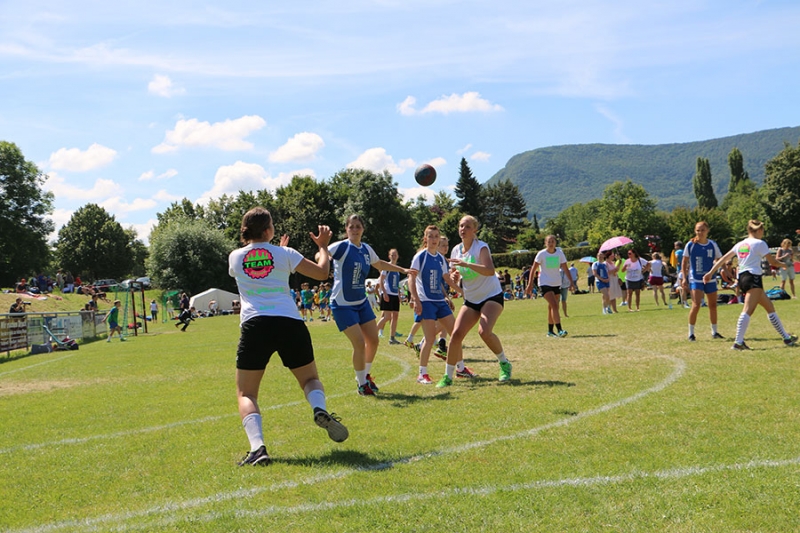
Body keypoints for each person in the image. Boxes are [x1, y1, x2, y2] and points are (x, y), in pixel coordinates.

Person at [228, 207, 348, 467]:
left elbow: (260, 263)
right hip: (289, 322)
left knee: (247, 393)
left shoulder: (235, 257)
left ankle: (258, 448)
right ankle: (319, 409)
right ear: (269, 230)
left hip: (255, 325)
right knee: (310, 379)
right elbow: (321, 273)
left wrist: (276, 251)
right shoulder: (285, 254)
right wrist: (324, 247)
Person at [329, 214, 409, 396]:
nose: (355, 229)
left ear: (363, 229)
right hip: (342, 304)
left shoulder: (366, 249)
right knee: (358, 342)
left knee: (373, 340)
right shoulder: (341, 247)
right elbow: (323, 253)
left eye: (358, 226)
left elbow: (379, 263)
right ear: (346, 229)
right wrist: (321, 252)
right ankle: (361, 383)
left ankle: (365, 376)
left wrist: (402, 269)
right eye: (352, 226)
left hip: (361, 302)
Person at [438, 215, 511, 387]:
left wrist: (467, 265)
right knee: (455, 335)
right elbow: (455, 276)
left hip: (491, 296)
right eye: (461, 226)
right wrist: (455, 276)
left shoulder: (481, 247)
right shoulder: (456, 250)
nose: (463, 229)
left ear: (475, 230)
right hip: (471, 299)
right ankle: (448, 376)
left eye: (467, 226)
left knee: (484, 331)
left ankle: (504, 364)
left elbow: (489, 270)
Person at [703, 219, 796, 350]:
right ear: (758, 230)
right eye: (763, 230)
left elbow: (723, 258)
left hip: (743, 278)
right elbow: (772, 262)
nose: (763, 233)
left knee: (769, 307)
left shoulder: (740, 244)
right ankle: (738, 342)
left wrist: (710, 272)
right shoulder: (760, 243)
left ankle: (786, 338)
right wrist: (783, 265)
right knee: (747, 310)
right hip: (753, 278)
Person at [408, 225, 457, 385]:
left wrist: (460, 292)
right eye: (431, 236)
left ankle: (461, 368)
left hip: (439, 301)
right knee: (429, 339)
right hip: (426, 301)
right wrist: (415, 299)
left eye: (436, 236)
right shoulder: (420, 257)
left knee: (456, 334)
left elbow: (446, 279)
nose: (434, 239)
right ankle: (422, 373)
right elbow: (411, 278)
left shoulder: (441, 259)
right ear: (425, 239)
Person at [681, 221, 724, 341]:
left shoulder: (712, 244)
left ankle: (714, 332)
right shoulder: (691, 244)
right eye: (698, 230)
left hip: (710, 278)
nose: (700, 232)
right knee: (696, 305)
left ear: (707, 231)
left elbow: (720, 259)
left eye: (702, 230)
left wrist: (722, 269)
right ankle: (691, 333)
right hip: (696, 278)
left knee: (713, 305)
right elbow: (684, 261)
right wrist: (684, 278)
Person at [527, 235, 571, 337]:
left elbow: (565, 268)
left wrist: (571, 282)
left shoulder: (560, 253)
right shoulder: (541, 254)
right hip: (544, 283)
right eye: (549, 242)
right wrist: (529, 284)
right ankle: (560, 330)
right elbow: (533, 269)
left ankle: (550, 331)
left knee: (553, 307)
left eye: (553, 241)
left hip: (556, 283)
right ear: (545, 243)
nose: (551, 244)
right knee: (554, 305)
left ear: (556, 243)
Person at [375, 249, 403, 344]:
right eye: (392, 255)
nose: (394, 256)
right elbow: (381, 281)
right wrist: (385, 293)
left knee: (395, 316)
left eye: (395, 255)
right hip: (388, 293)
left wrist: (399, 295)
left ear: (398, 256)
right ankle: (373, 333)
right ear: (389, 256)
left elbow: (396, 283)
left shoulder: (397, 268)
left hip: (395, 294)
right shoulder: (386, 267)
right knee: (387, 317)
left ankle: (392, 338)